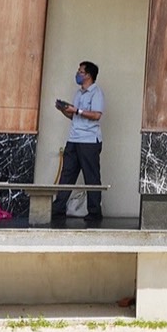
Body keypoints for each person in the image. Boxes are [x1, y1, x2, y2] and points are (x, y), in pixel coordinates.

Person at [52, 60, 104, 219]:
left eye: (80, 72)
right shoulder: (78, 93)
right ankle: (58, 208)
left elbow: (96, 115)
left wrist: (78, 110)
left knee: (91, 177)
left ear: (88, 75)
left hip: (89, 140)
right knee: (67, 174)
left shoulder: (96, 93)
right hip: (74, 138)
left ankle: (94, 212)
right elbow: (74, 116)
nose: (78, 74)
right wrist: (64, 110)